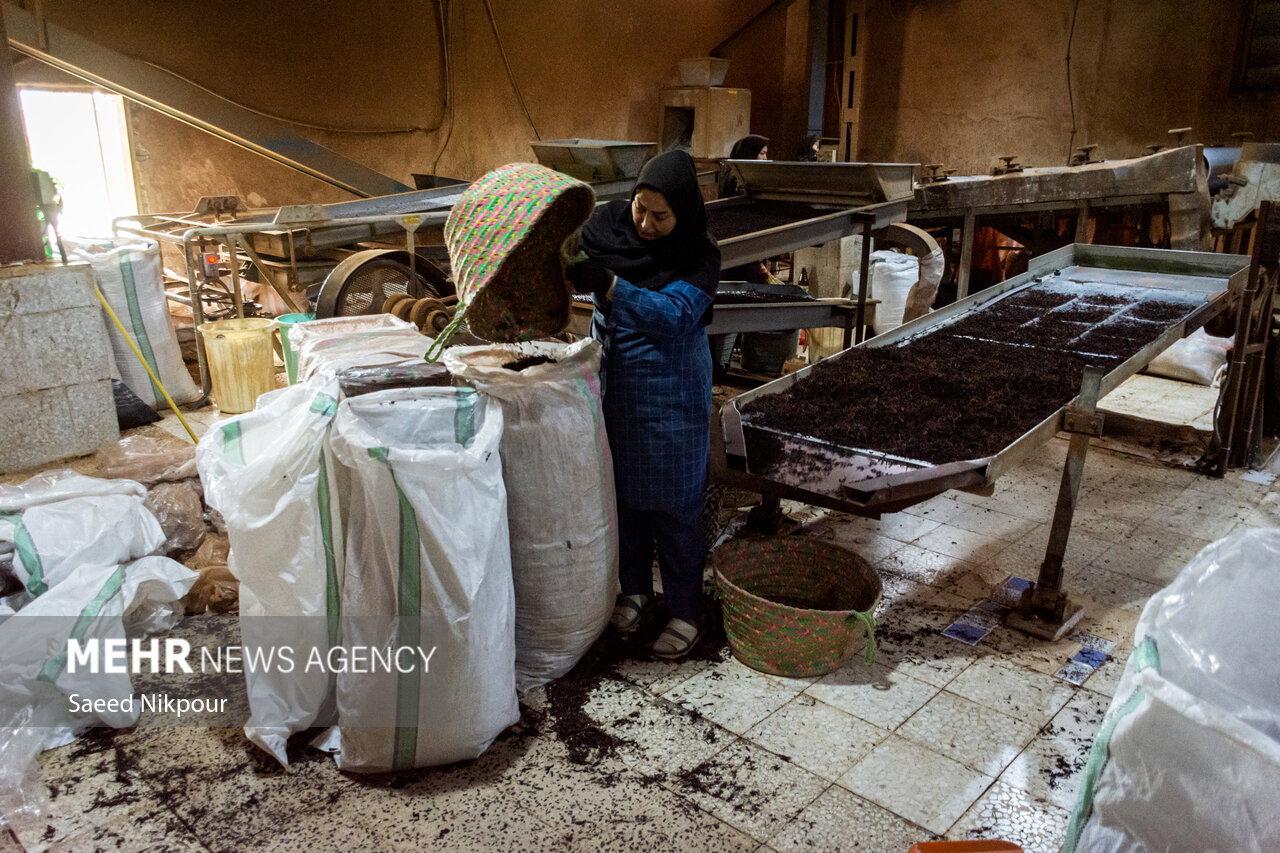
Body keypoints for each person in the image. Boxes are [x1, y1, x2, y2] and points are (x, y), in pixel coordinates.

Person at [566, 150, 721, 660]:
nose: (646, 225)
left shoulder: (699, 255)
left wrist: (610, 285)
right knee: (625, 501)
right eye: (640, 210)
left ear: (683, 213)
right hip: (617, 391)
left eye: (661, 216)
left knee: (674, 510)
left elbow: (675, 315)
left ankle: (685, 609)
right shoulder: (608, 229)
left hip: (671, 399)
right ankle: (634, 590)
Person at [716, 134, 769, 199]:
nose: (765, 158)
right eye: (762, 154)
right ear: (751, 153)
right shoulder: (737, 174)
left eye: (765, 154)